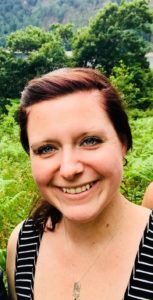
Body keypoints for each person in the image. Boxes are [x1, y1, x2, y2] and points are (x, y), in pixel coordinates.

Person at [6, 68, 153, 300]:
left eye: (90, 141)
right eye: (46, 149)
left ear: (123, 143)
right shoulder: (23, 245)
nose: (68, 169)